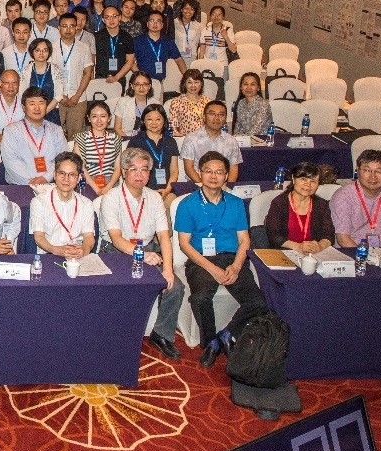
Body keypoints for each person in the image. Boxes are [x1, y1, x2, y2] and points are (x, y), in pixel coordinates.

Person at [175, 151, 267, 368]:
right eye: (208, 171)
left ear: (226, 176)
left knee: (258, 303)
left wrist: (236, 266)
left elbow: (244, 240)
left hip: (231, 258)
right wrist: (212, 269)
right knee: (200, 298)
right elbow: (184, 245)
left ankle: (225, 335)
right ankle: (210, 343)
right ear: (200, 174)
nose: (213, 176)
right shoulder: (187, 204)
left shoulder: (236, 203)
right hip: (201, 260)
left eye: (219, 172)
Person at [98, 148, 184, 360]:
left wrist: (168, 270)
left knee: (175, 287)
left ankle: (161, 335)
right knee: (119, 287)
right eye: (133, 169)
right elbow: (116, 239)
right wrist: (141, 254)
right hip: (116, 252)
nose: (139, 174)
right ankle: (112, 335)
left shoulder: (154, 198)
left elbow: (164, 237)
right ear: (123, 172)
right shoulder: (111, 198)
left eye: (144, 170)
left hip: (148, 250)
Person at [30, 152, 96, 257]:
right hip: (49, 254)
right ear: (54, 175)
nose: (66, 179)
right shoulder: (39, 202)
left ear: (79, 178)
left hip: (77, 255)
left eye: (72, 175)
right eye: (62, 173)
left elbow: (89, 237)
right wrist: (55, 250)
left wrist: (85, 249)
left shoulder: (86, 204)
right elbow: (39, 237)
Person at [1, 87, 68, 186]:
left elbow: (63, 159)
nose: (37, 108)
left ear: (46, 106)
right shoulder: (11, 131)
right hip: (20, 186)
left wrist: (45, 178)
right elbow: (11, 162)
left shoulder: (56, 130)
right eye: (32, 104)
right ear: (23, 107)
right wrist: (32, 182)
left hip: (51, 184)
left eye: (41, 103)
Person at [266, 161, 334, 253]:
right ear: (293, 179)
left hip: (314, 254)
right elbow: (273, 236)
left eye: (313, 181)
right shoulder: (279, 203)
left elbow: (329, 234)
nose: (308, 185)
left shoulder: (321, 205)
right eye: (303, 179)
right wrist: (298, 247)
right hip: (285, 252)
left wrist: (320, 246)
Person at [181, 100, 243, 183]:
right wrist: (204, 186)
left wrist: (228, 187)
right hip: (197, 184)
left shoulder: (231, 141)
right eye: (212, 114)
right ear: (204, 117)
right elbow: (189, 168)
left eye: (221, 114)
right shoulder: (191, 139)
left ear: (225, 118)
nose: (217, 118)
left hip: (222, 186)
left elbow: (233, 168)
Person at [127, 104, 180, 200]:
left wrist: (167, 190)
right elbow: (129, 169)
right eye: (149, 119)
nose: (154, 123)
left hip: (166, 190)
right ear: (143, 121)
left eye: (158, 119)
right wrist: (146, 191)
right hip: (141, 190)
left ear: (164, 121)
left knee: (172, 204)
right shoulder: (136, 141)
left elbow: (174, 170)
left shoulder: (170, 141)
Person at [72, 101, 122, 196]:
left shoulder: (116, 139)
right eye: (94, 116)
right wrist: (96, 189)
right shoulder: (81, 138)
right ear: (89, 118)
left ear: (109, 118)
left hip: (111, 183)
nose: (99, 121)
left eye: (103, 116)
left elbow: (117, 168)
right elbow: (81, 168)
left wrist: (108, 187)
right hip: (87, 182)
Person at [133, 10, 186, 84]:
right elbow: (130, 61)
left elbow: (179, 59)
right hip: (142, 83)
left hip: (161, 81)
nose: (155, 24)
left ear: (162, 25)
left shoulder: (168, 41)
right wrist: (140, 76)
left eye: (158, 21)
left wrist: (186, 76)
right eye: (152, 21)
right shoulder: (137, 40)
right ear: (147, 24)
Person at [95, 6, 137, 86]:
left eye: (114, 16)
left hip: (119, 79)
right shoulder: (96, 37)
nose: (111, 20)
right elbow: (92, 60)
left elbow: (130, 61)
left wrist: (116, 77)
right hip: (100, 79)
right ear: (103, 20)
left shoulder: (127, 37)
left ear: (120, 17)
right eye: (107, 17)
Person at [112, 71, 160, 138]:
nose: (141, 88)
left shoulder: (156, 104)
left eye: (145, 84)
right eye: (137, 84)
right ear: (132, 86)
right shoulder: (123, 102)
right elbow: (117, 128)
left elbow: (159, 128)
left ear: (149, 86)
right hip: (127, 139)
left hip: (150, 139)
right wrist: (129, 141)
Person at [230, 71, 274, 136]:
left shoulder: (264, 104)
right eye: (245, 84)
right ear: (241, 87)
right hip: (246, 139)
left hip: (262, 139)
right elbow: (238, 127)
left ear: (258, 88)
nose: (248, 88)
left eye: (252, 84)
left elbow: (256, 130)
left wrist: (242, 139)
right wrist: (235, 139)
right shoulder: (241, 103)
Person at [167, 69, 208, 137]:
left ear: (201, 83)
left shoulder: (208, 102)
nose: (193, 85)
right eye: (189, 82)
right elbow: (174, 127)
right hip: (185, 139)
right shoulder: (176, 102)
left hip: (206, 139)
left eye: (196, 82)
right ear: (184, 84)